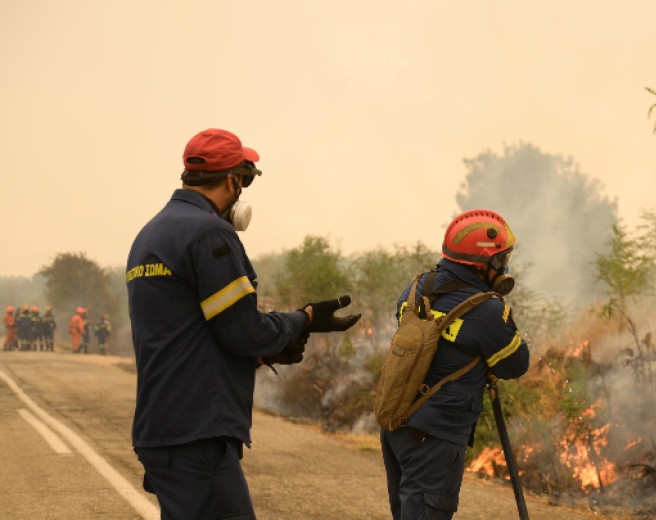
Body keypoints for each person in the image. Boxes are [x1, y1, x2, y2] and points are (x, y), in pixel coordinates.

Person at [126, 128, 361, 519]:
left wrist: (260, 355)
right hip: (197, 431)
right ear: (234, 180)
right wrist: (303, 319)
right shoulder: (209, 233)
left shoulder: (150, 234)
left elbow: (186, 333)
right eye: (244, 181)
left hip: (162, 426)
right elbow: (243, 331)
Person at [380, 208, 530, 519]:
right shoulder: (488, 312)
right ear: (484, 263)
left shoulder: (414, 290)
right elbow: (515, 365)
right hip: (435, 438)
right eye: (501, 258)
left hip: (397, 426)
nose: (504, 265)